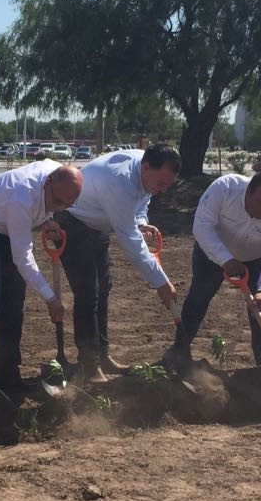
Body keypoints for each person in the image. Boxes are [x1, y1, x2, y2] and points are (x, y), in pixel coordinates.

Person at [53, 143, 180, 383]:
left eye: (168, 185)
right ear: (145, 167)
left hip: (99, 224)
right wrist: (161, 282)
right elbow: (131, 241)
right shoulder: (120, 181)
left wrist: (141, 221)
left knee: (103, 290)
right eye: (161, 183)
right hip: (73, 222)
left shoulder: (146, 171)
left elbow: (142, 200)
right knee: (88, 294)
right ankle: (89, 366)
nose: (162, 190)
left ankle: (102, 357)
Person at [0, 161, 84, 390]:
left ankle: (7, 375)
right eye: (57, 202)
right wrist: (50, 298)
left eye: (66, 205)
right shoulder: (22, 196)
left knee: (13, 301)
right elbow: (23, 258)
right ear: (48, 183)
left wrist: (46, 219)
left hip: (10, 223)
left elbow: (47, 205)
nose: (59, 208)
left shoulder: (58, 178)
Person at [161, 171, 261, 370]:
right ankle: (179, 352)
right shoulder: (225, 189)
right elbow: (202, 226)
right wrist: (225, 259)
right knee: (199, 297)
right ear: (248, 192)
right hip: (212, 252)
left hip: (254, 259)